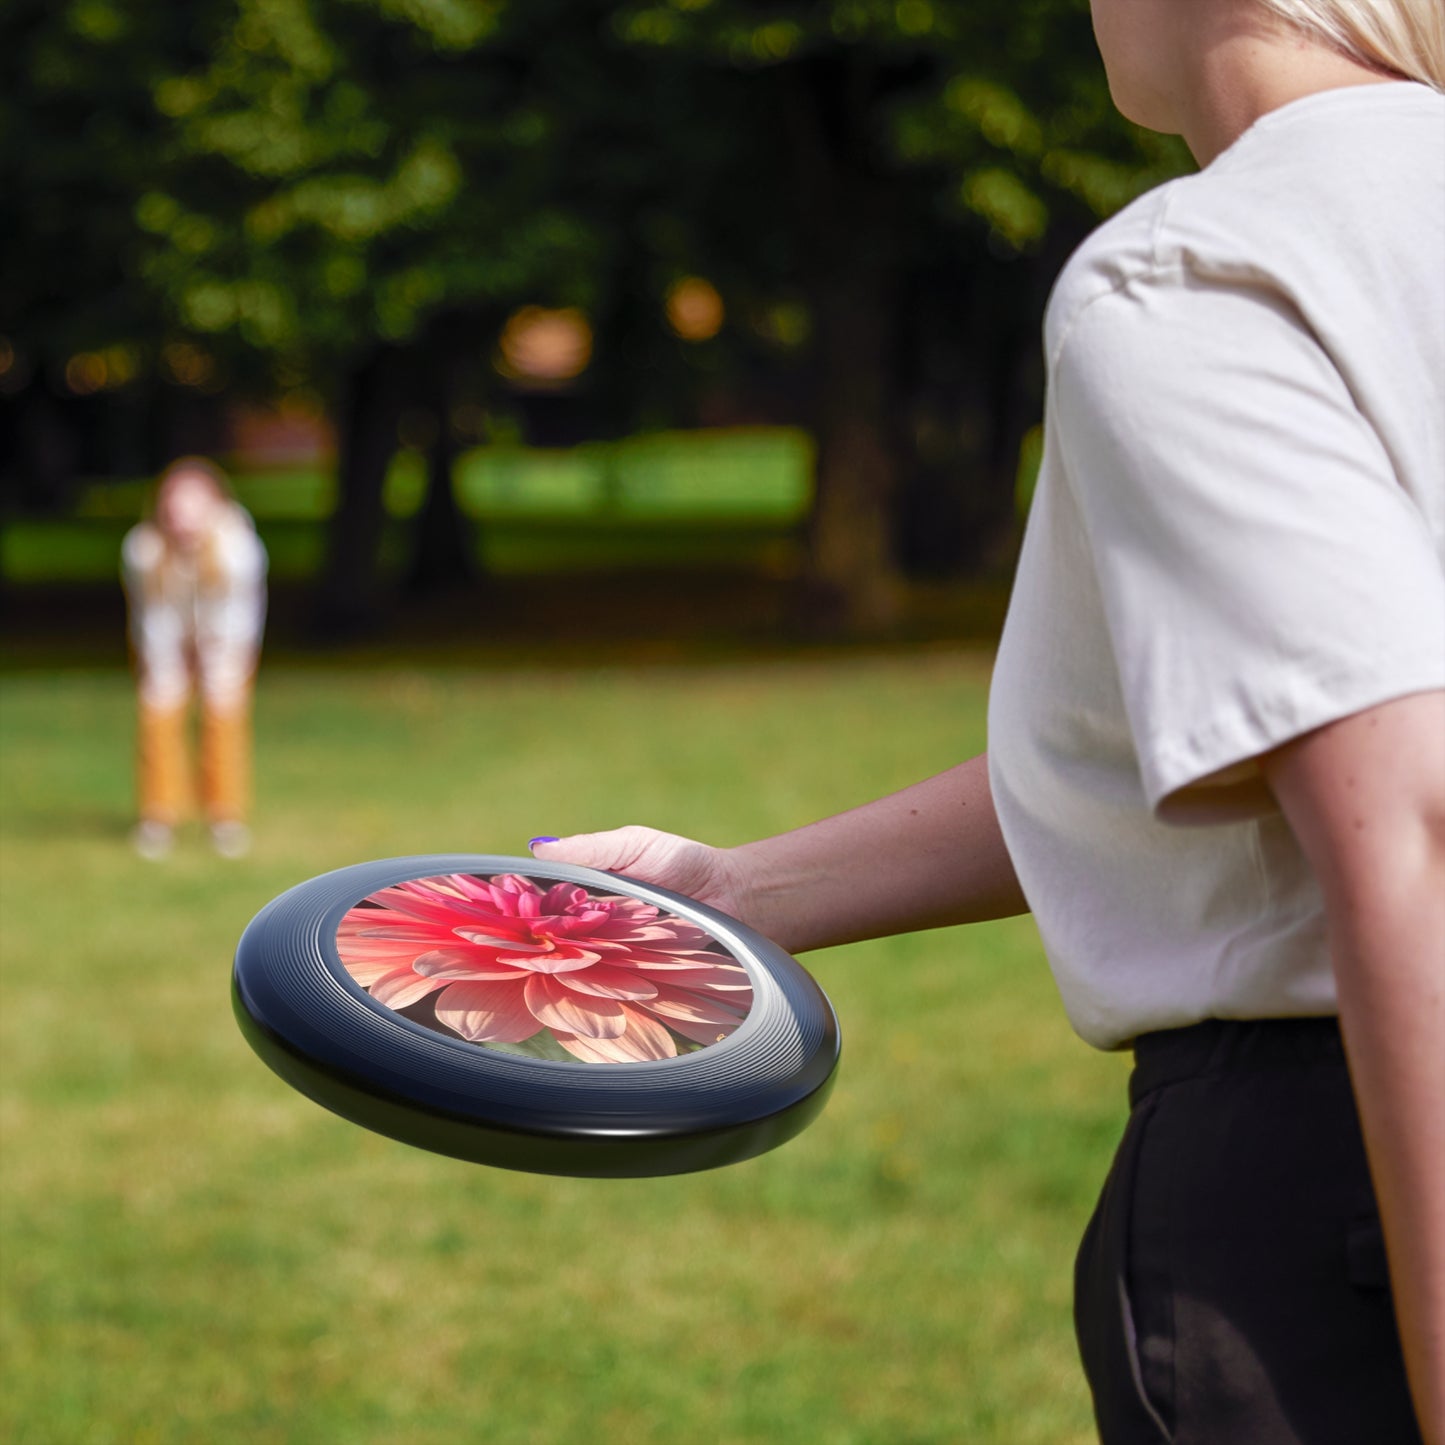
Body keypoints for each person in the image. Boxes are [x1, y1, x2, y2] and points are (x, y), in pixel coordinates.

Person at [529, 2, 1445, 1440]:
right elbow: (1224, 741)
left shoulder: (1204, 270)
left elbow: (1408, 821)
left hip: (1342, 1192)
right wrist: (736, 892)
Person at [121, 457, 268, 860]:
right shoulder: (143, 549)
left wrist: (214, 659)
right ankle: (158, 816)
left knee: (223, 717)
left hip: (226, 641)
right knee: (158, 712)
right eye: (174, 506)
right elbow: (152, 616)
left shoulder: (239, 549)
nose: (182, 517)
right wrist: (168, 664)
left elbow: (239, 616)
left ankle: (225, 818)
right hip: (165, 640)